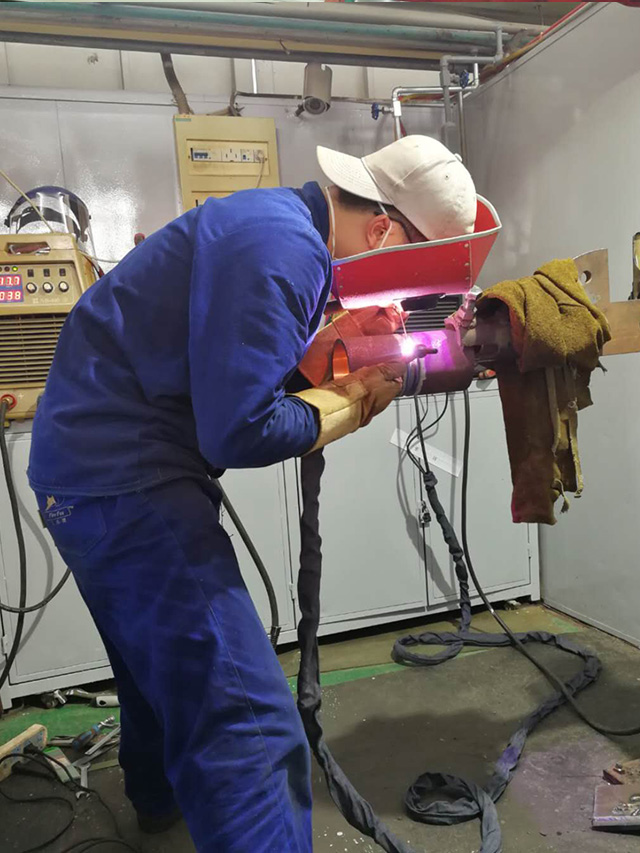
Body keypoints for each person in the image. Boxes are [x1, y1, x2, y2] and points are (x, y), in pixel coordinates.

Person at [28, 135, 477, 852]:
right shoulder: (284, 247)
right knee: (250, 727)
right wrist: (351, 400)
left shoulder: (272, 223)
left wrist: (327, 347)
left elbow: (224, 365)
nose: (404, 291)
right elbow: (239, 429)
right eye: (410, 267)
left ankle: (157, 800)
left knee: (156, 664)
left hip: (80, 475)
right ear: (382, 231)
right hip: (127, 481)